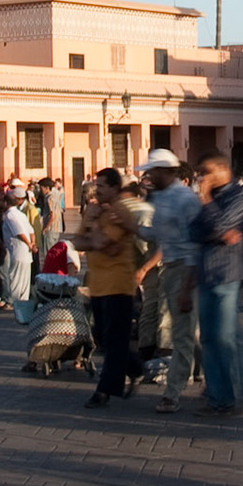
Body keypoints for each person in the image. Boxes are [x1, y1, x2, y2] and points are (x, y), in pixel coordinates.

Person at [185, 149, 243, 416]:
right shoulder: (209, 199)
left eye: (206, 172)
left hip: (227, 275)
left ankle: (235, 396)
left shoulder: (241, 195)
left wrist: (205, 202)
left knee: (225, 338)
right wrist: (217, 231)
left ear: (222, 169)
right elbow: (195, 232)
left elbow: (223, 224)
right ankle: (217, 397)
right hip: (206, 273)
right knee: (210, 340)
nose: (202, 178)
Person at [139, 151, 202, 413]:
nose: (148, 176)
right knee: (191, 332)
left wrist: (187, 287)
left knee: (183, 334)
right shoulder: (161, 197)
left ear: (166, 171)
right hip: (170, 270)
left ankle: (173, 391)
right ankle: (218, 378)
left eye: (152, 171)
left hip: (187, 270)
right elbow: (157, 234)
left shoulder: (186, 199)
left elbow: (195, 246)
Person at [80, 169, 142, 409]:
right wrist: (92, 232)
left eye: (103, 186)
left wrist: (93, 229)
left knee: (115, 339)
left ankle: (104, 390)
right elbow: (78, 242)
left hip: (119, 283)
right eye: (96, 185)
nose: (98, 190)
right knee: (105, 338)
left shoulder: (119, 213)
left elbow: (101, 243)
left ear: (116, 189)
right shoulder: (94, 211)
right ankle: (135, 367)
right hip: (97, 284)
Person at [0, 181, 37, 325]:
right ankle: (23, 307)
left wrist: (29, 244)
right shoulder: (20, 214)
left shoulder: (10, 216)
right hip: (26, 251)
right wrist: (32, 243)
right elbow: (31, 230)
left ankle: (16, 305)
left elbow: (20, 233)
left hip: (18, 250)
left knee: (16, 280)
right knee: (24, 281)